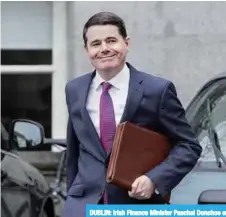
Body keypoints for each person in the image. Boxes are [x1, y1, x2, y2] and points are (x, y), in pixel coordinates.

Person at [62, 11, 202, 217]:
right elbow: (74, 151)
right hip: (83, 207)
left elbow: (188, 146)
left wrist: (154, 179)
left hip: (135, 205)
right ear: (86, 50)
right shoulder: (74, 89)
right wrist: (71, 200)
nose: (104, 49)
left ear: (126, 43)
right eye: (96, 43)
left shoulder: (157, 90)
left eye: (111, 40)